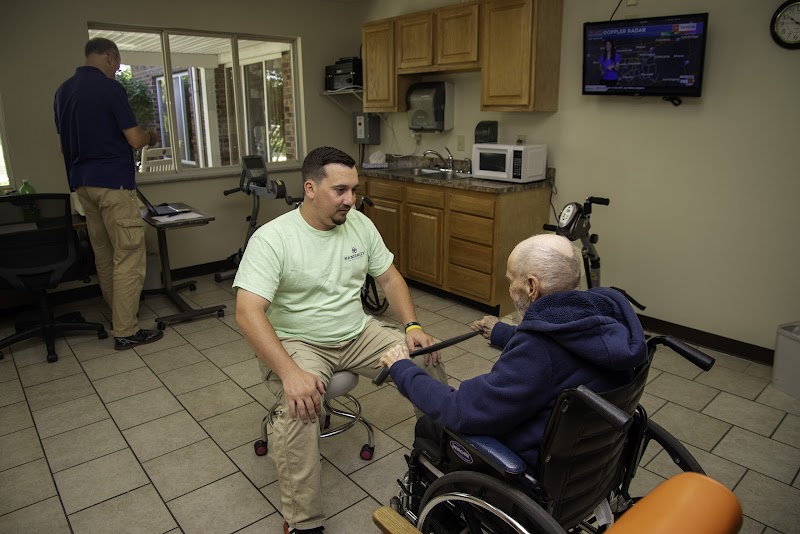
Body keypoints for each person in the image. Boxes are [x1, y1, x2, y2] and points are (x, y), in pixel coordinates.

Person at [233, 146, 447, 534]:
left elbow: (389, 278)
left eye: (354, 190)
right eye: (340, 190)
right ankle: (303, 521)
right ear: (310, 188)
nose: (350, 199)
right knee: (301, 407)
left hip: (357, 332)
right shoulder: (273, 239)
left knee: (425, 359)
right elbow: (247, 313)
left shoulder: (360, 225)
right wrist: (290, 373)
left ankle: (442, 471)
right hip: (298, 341)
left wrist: (412, 326)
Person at [379, 233, 647, 468]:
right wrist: (501, 332)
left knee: (429, 426)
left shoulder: (536, 351)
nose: (509, 289)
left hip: (529, 462)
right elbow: (563, 342)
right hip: (588, 461)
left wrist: (403, 370)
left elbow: (461, 410)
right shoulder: (609, 323)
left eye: (511, 280)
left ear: (531, 286)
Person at [54, 38, 163, 351]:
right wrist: (150, 136)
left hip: (82, 186)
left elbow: (65, 142)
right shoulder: (109, 88)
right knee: (128, 254)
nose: (116, 69)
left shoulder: (63, 92)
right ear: (110, 57)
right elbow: (134, 139)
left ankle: (117, 315)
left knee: (103, 254)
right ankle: (126, 330)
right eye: (116, 64)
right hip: (113, 184)